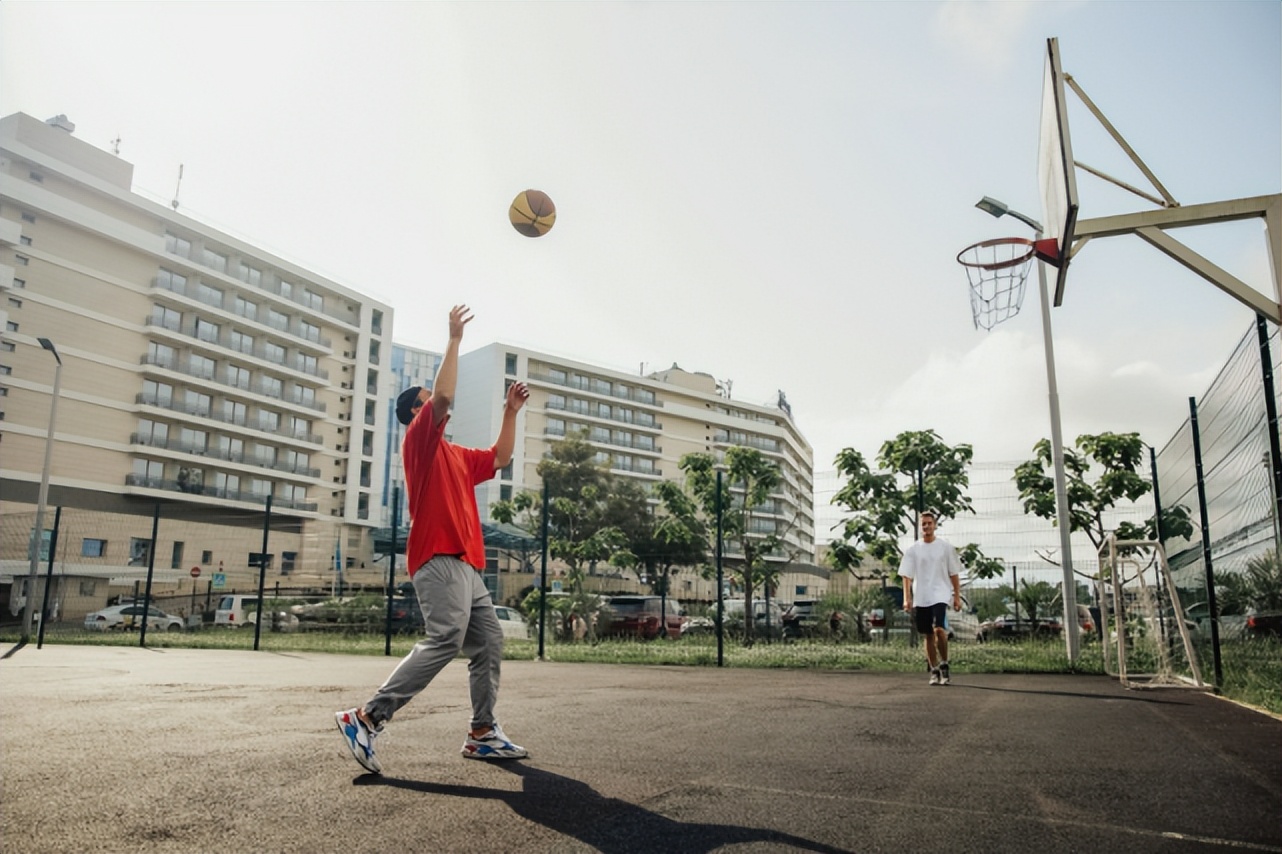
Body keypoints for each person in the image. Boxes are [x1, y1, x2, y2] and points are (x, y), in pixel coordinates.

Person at [336, 304, 530, 774]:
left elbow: (500, 458)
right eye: (426, 399)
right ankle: (366, 717)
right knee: (445, 638)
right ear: (415, 413)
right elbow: (442, 397)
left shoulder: (456, 454)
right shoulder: (419, 440)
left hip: (466, 565)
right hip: (438, 557)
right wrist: (454, 339)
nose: (437, 402)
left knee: (487, 643)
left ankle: (482, 733)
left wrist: (510, 411)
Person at [899, 510, 963, 686]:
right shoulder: (913, 550)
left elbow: (954, 573)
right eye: (923, 524)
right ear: (921, 527)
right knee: (927, 634)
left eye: (929, 523)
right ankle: (934, 669)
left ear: (935, 525)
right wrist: (907, 598)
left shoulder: (945, 547)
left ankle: (944, 664)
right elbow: (906, 576)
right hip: (922, 596)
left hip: (940, 594)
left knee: (939, 629)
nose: (926, 526)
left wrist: (956, 596)